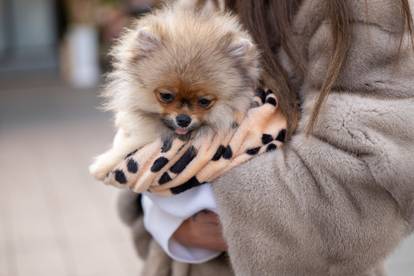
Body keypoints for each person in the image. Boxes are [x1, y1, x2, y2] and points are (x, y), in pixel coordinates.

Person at [118, 0, 414, 275]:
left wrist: (185, 204)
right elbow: (141, 121)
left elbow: (371, 175)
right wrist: (158, 213)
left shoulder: (364, 9)